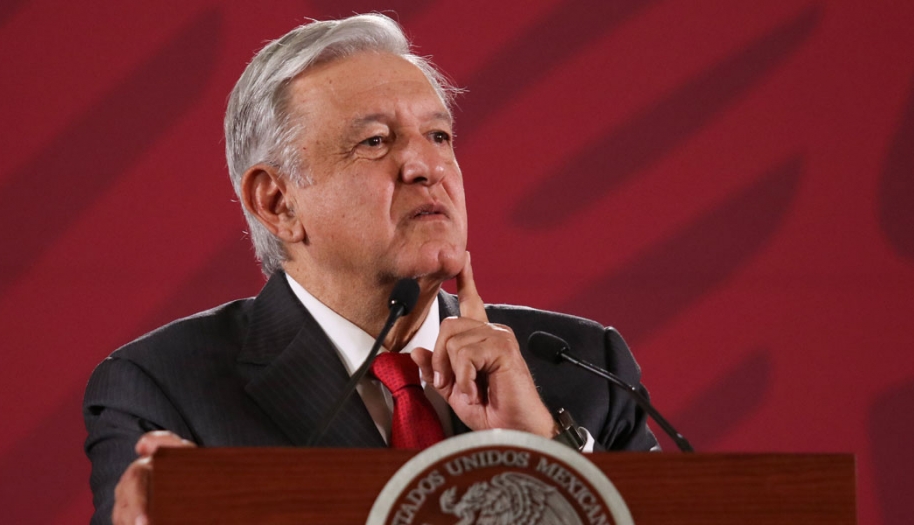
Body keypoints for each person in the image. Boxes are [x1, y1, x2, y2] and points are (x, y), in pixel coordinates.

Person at [83, 13, 658, 525]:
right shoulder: (163, 389)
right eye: (376, 141)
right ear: (277, 203)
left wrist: (545, 453)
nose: (427, 166)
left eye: (439, 135)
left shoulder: (585, 370)